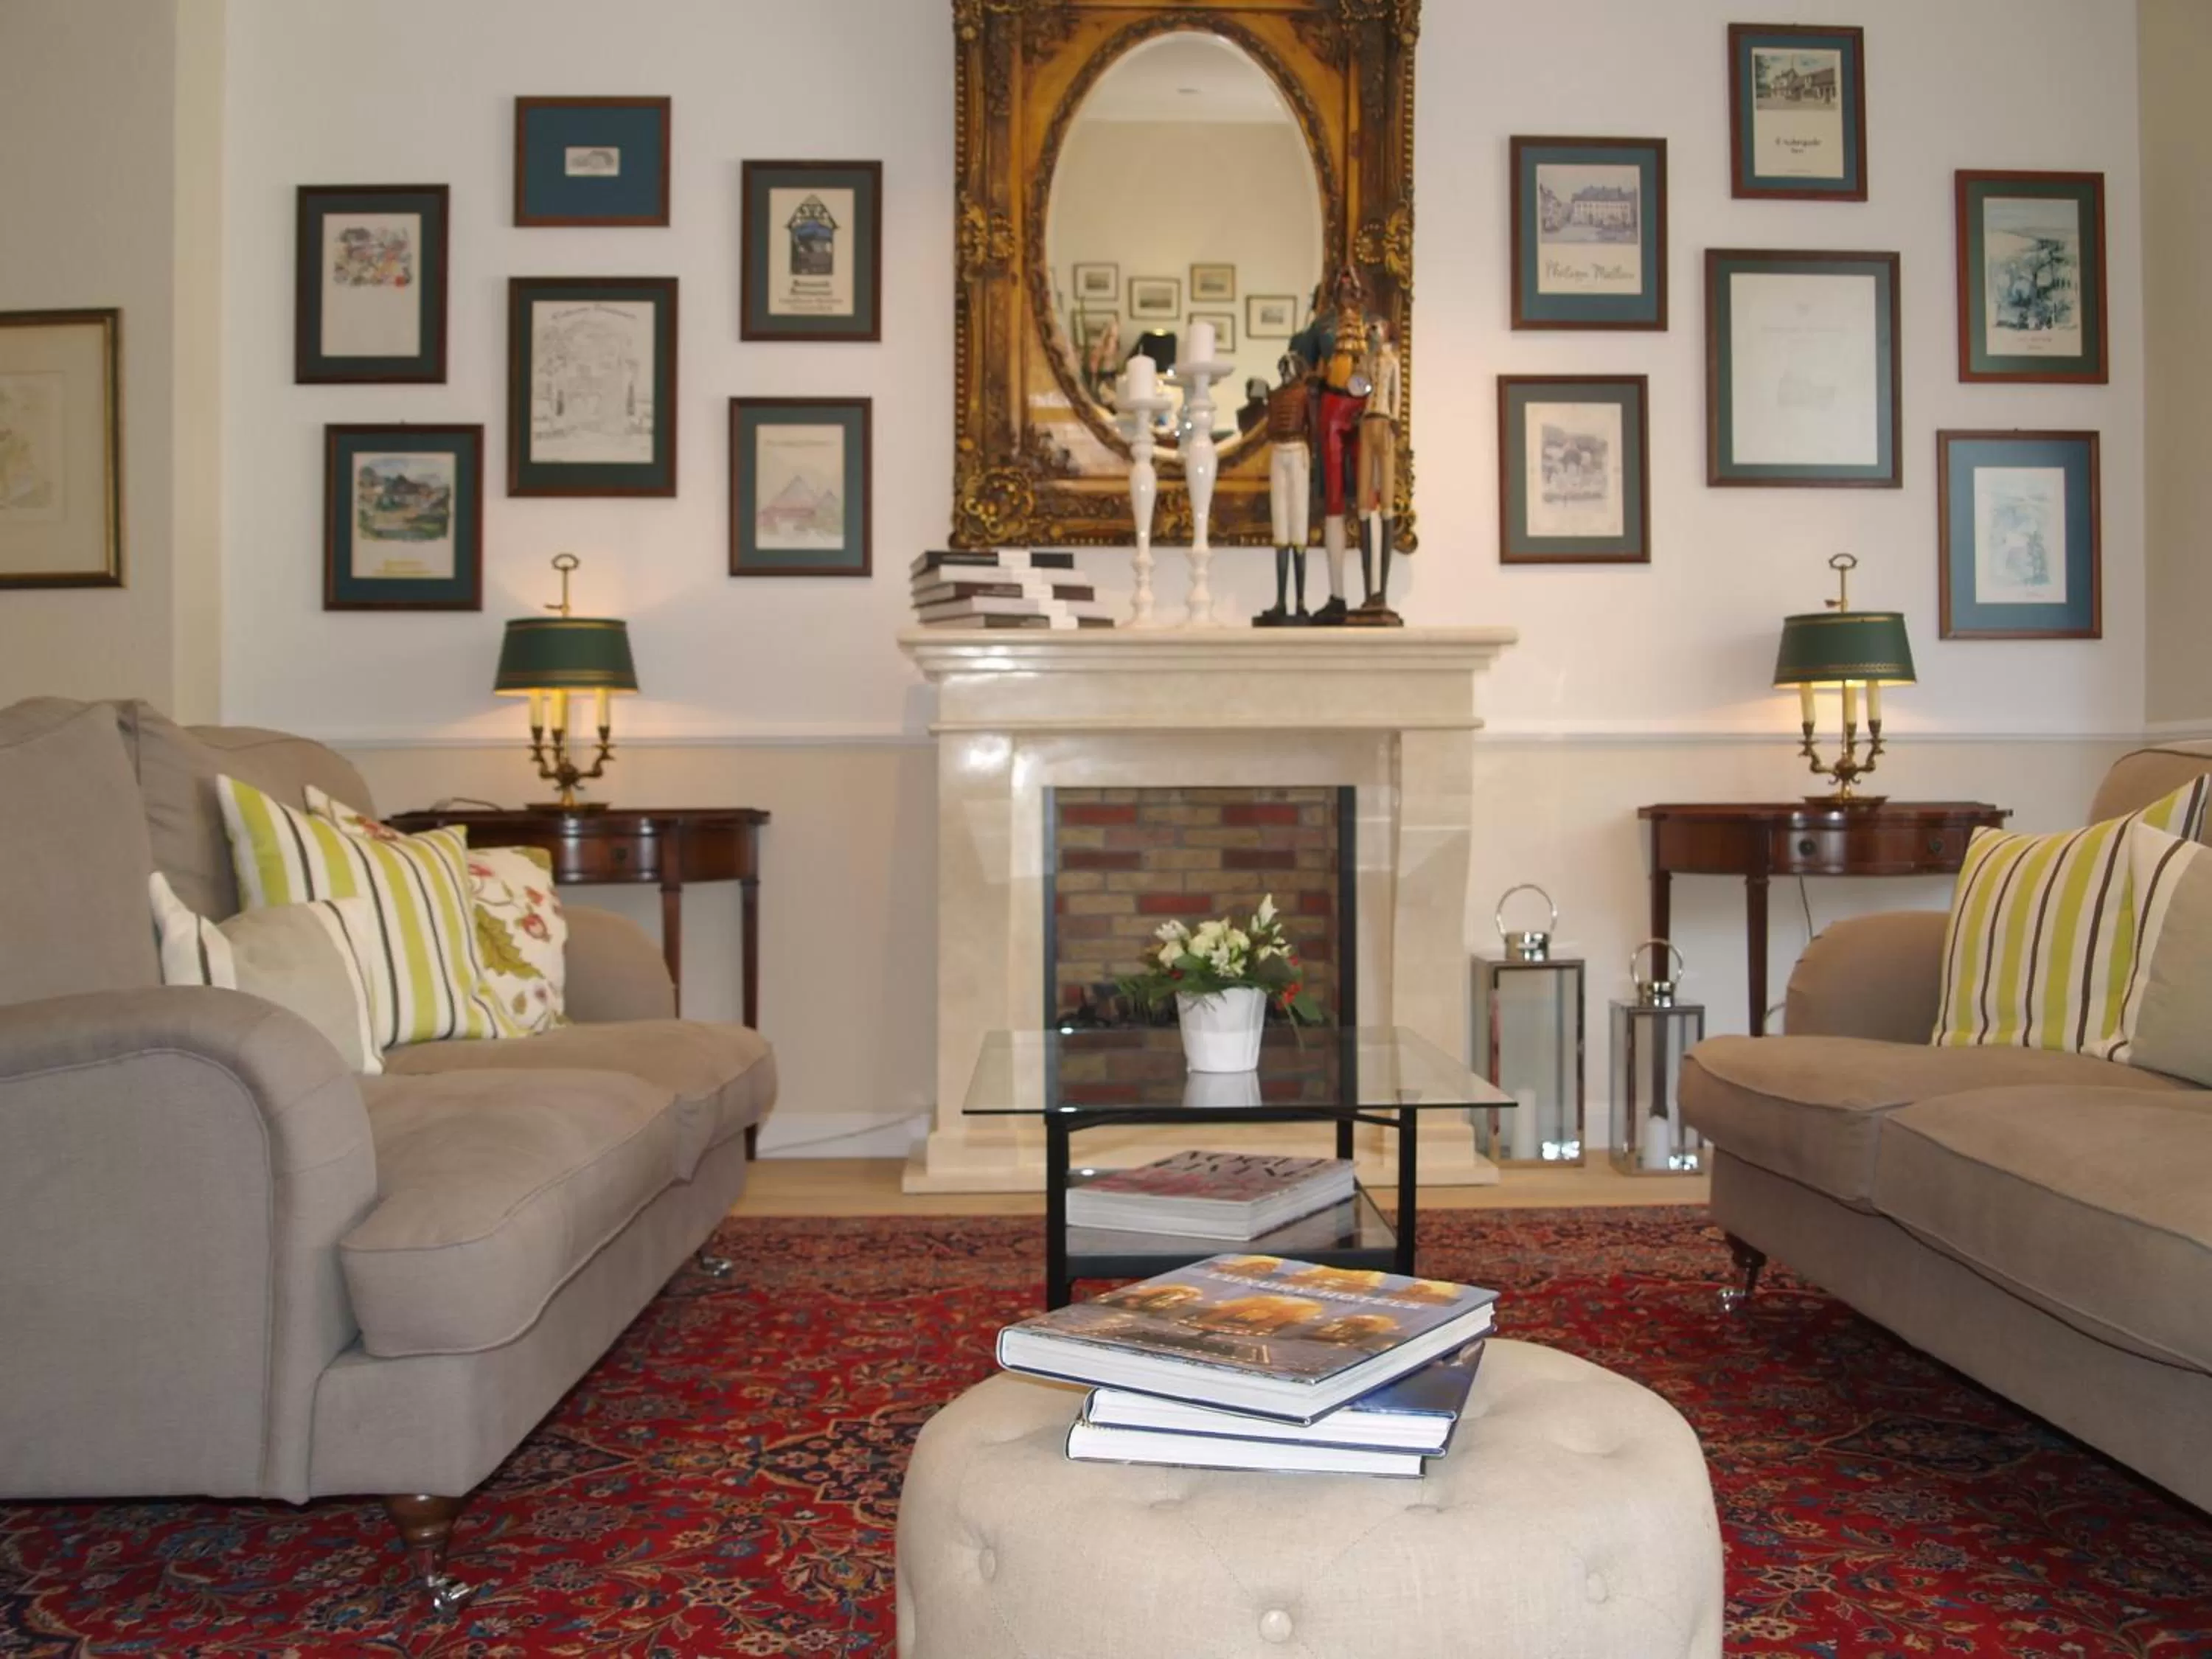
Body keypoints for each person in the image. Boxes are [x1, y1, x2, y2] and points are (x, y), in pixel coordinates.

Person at [1306, 266, 1371, 625]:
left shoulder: (1372, 325)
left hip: (1364, 408)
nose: (1347, 287)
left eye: (1352, 283)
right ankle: (1337, 594)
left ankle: (1371, 594)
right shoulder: (1322, 326)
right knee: (1333, 499)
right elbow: (1306, 360)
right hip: (1333, 406)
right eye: (1342, 284)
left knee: (1367, 497)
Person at [1254, 352, 1312, 626]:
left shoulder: (1304, 394)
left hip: (1298, 451)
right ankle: (1281, 600)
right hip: (1279, 452)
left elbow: (1312, 427)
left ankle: (1300, 601)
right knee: (1281, 525)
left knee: (1298, 524)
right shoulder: (1275, 397)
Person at [1354, 316, 1403, 618]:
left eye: (1378, 326)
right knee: (1363, 501)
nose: (1373, 330)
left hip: (1384, 424)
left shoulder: (1392, 361)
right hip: (1367, 423)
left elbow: (1396, 394)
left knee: (1385, 502)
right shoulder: (1367, 360)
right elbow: (1357, 389)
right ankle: (1368, 591)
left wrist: (1395, 419)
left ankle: (1381, 591)